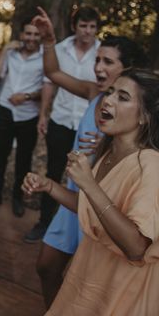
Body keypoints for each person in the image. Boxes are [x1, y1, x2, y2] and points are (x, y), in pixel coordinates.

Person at [29, 7, 147, 308]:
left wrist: (103, 147)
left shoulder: (136, 120)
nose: (98, 67)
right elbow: (53, 72)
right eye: (97, 59)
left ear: (128, 68)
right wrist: (48, 40)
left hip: (103, 200)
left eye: (108, 61)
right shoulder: (94, 91)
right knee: (47, 265)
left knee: (90, 277)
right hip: (75, 194)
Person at [22, 68, 159, 315]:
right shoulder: (108, 152)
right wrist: (50, 186)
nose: (107, 100)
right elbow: (93, 208)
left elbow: (137, 247)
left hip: (123, 286)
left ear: (144, 117)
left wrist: (89, 184)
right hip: (91, 270)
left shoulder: (151, 166)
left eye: (123, 97)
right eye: (110, 92)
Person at [25, 6, 101, 243]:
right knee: (54, 171)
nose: (88, 31)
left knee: (85, 177)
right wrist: (44, 114)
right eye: (83, 26)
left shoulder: (103, 54)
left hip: (88, 130)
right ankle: (44, 223)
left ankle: (81, 230)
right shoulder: (60, 49)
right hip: (61, 120)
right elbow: (51, 80)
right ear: (74, 27)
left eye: (92, 27)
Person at [0, 19, 43, 216]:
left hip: (28, 114)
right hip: (5, 110)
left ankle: (18, 198)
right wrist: (6, 48)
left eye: (35, 34)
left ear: (40, 37)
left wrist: (27, 96)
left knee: (24, 159)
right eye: (28, 33)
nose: (31, 38)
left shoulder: (44, 58)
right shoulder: (11, 54)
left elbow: (48, 89)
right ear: (21, 35)